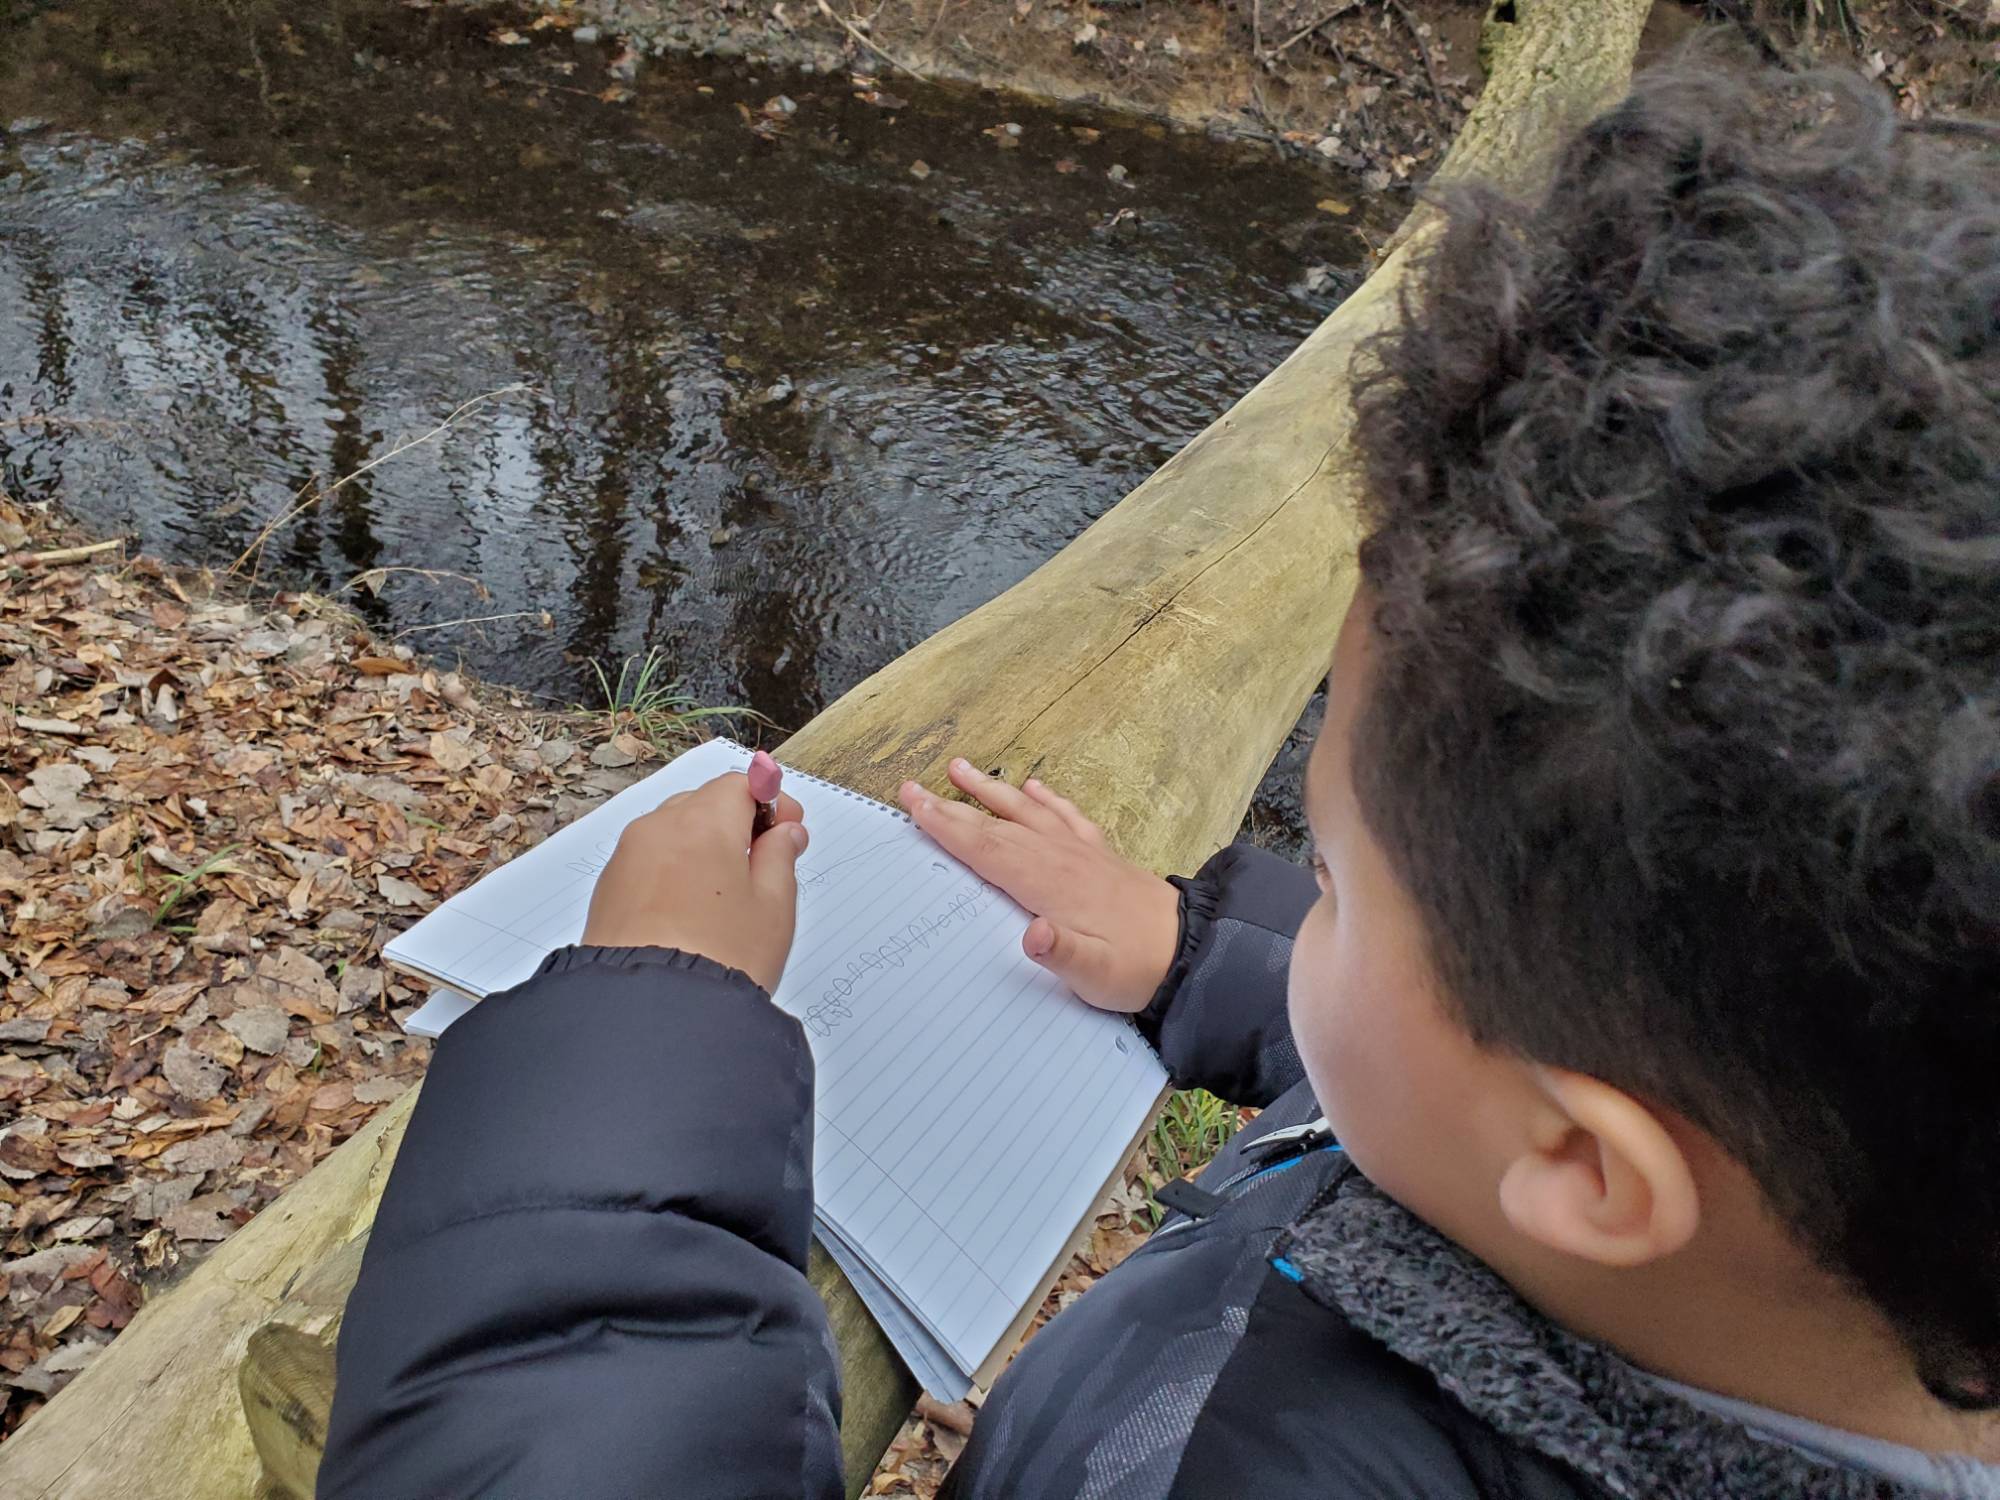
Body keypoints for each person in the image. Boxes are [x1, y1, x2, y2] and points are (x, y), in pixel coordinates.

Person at [317, 61, 2000, 1500]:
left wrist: (647, 1025)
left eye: (1330, 882)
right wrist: (1197, 959)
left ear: (1586, 1171)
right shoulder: (1823, 1221)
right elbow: (1487, 1090)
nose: (1304, 900)